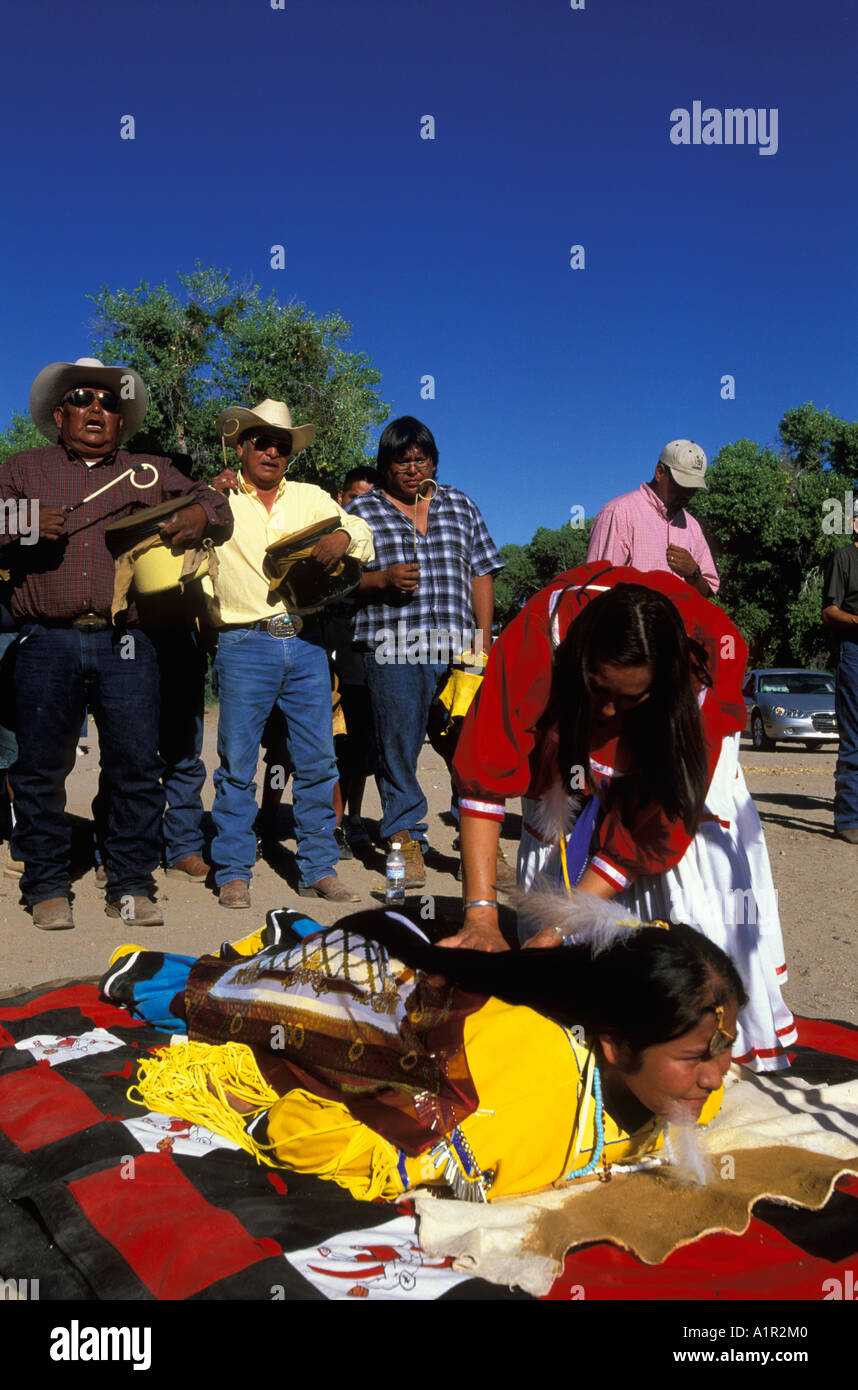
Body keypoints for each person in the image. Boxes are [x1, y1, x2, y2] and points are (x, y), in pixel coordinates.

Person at [100, 903, 745, 1202]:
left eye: (723, 1051)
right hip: (397, 1000)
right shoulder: (507, 1103)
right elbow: (324, 1139)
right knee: (255, 1000)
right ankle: (258, 956)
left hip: (446, 982)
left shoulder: (682, 1077)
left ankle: (305, 938)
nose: (716, 1076)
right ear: (614, 1042)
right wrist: (261, 1111)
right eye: (695, 1058)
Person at [447, 562, 796, 1073]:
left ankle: (704, 1053)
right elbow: (487, 766)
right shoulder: (537, 639)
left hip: (673, 749)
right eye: (599, 689)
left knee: (685, 874)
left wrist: (565, 925)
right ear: (580, 659)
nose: (608, 713)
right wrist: (480, 914)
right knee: (555, 825)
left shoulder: (698, 690)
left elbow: (645, 834)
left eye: (628, 698)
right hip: (564, 713)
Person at [0, 356, 232, 930]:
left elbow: (218, 504)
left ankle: (129, 882)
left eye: (108, 403)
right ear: (59, 414)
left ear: (123, 421)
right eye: (82, 399)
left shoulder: (148, 471)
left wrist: (199, 516)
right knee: (39, 769)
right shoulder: (23, 469)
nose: (96, 410)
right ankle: (48, 883)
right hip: (44, 639)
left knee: (132, 764)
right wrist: (26, 524)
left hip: (127, 640)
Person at [206, 398, 374, 908]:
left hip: (305, 641)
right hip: (243, 640)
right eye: (262, 442)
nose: (272, 451)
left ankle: (318, 867)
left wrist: (343, 534)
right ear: (242, 448)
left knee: (318, 760)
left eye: (281, 445)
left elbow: (363, 533)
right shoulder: (218, 499)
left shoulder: (311, 498)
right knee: (237, 762)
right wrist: (207, 490)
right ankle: (234, 870)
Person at [346, 417, 503, 886]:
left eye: (422, 459)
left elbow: (481, 571)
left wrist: (484, 636)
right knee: (398, 750)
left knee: (470, 750)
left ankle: (479, 848)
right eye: (403, 461)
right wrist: (382, 580)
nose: (414, 469)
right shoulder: (362, 512)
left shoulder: (460, 504)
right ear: (386, 465)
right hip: (393, 645)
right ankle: (405, 844)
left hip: (458, 648)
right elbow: (340, 583)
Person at [586, 440, 719, 597]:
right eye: (682, 486)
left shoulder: (693, 527)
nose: (688, 495)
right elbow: (597, 590)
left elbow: (708, 592)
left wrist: (693, 573)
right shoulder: (619, 513)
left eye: (693, 489)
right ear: (660, 472)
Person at [822, 499, 858, 842]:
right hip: (854, 652)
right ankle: (847, 818)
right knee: (854, 736)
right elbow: (829, 612)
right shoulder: (843, 558)